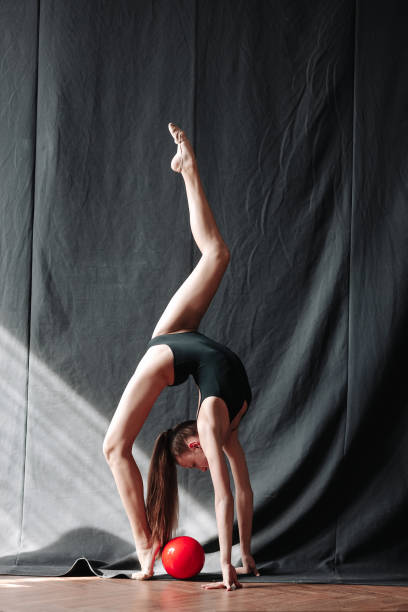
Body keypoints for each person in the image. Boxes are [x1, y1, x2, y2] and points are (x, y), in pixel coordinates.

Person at [103, 123, 259, 591]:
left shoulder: (217, 422)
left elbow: (232, 492)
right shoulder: (220, 426)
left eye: (195, 467)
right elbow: (232, 492)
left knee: (114, 446)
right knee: (216, 254)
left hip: (173, 346)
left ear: (193, 444)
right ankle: (188, 169)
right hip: (174, 342)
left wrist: (238, 558)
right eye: (197, 469)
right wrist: (234, 561)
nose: (203, 466)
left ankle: (147, 548)